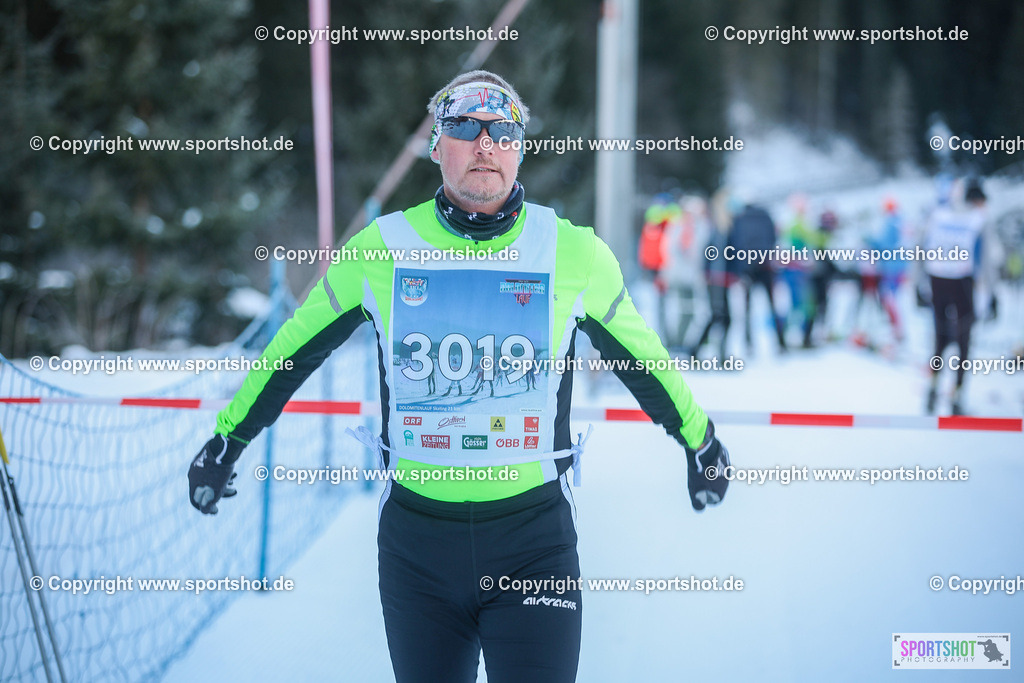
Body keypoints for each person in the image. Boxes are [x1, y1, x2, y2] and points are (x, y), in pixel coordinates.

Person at [187, 70, 730, 683]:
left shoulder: (573, 252)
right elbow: (291, 352)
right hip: (418, 550)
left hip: (533, 544)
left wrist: (700, 441)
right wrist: (227, 439)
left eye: (502, 130)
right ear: (435, 145)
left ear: (520, 147)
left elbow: (644, 362)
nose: (484, 144)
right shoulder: (381, 249)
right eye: (464, 127)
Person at [923, 178, 988, 415]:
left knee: (940, 338)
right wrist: (991, 295)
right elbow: (988, 258)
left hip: (937, 279)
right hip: (961, 282)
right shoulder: (977, 219)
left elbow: (921, 246)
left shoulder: (938, 214)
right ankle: (957, 394)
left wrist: (918, 285)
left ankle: (933, 389)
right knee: (963, 340)